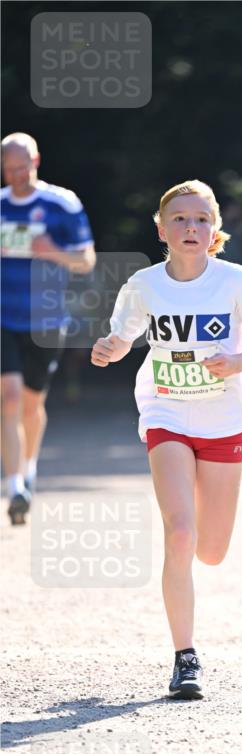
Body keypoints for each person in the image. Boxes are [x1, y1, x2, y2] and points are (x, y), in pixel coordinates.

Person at [90, 179, 242, 699]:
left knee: (211, 549)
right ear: (161, 229)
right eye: (180, 218)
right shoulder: (144, 285)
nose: (191, 227)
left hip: (224, 419)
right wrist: (109, 348)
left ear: (214, 229)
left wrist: (238, 362)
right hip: (166, 410)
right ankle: (185, 657)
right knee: (180, 534)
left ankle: (199, 534)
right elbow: (123, 338)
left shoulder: (239, 281)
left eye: (201, 218)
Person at [1, 132, 96, 524]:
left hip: (45, 319)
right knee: (7, 397)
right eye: (9, 170)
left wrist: (51, 252)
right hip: (3, 316)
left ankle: (30, 466)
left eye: (23, 168)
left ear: (36, 161)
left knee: (30, 404)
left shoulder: (62, 204)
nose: (17, 176)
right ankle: (14, 485)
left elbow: (86, 261)